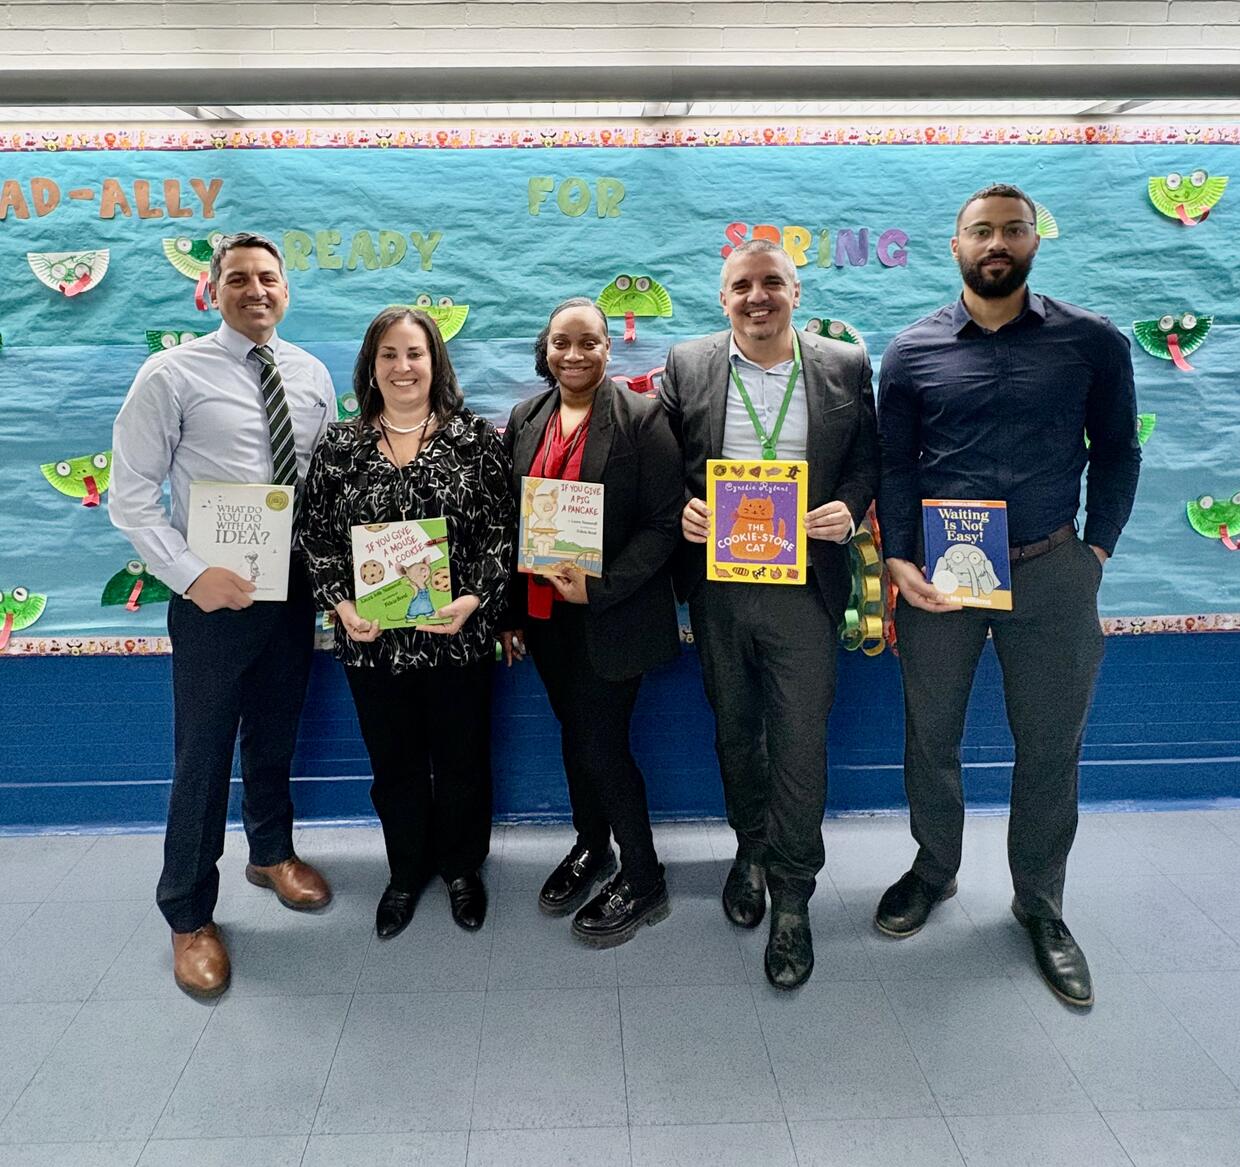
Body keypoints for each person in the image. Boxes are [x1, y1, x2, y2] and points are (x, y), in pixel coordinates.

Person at [875, 182, 1141, 1008]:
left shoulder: (1093, 343)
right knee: (932, 735)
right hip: (941, 579)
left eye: (1013, 230)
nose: (998, 242)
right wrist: (899, 562)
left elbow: (1120, 452)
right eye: (981, 231)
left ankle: (1040, 902)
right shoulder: (911, 351)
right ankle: (934, 868)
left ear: (1034, 242)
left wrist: (1095, 551)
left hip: (1052, 569)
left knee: (1051, 745)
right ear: (954, 247)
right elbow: (896, 465)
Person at [110, 232, 335, 1000]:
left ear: (286, 288)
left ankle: (270, 852)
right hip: (211, 597)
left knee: (275, 734)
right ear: (213, 290)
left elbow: (324, 483)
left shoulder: (308, 374)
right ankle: (188, 914)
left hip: (292, 588)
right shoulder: (171, 373)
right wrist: (189, 574)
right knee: (202, 755)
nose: (256, 290)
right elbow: (131, 495)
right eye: (238, 278)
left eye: (268, 278)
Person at [659, 240, 879, 988]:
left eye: (772, 283)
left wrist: (849, 508)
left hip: (805, 588)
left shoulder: (843, 364)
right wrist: (679, 509)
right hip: (719, 586)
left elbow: (867, 457)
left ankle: (793, 893)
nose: (758, 296)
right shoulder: (687, 363)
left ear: (796, 290)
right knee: (734, 732)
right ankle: (750, 846)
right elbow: (660, 462)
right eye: (742, 285)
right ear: (723, 298)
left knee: (799, 740)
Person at [299, 306, 513, 940]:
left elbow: (503, 532)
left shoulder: (475, 440)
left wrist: (473, 599)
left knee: (462, 762)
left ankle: (462, 869)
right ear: (371, 365)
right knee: (393, 766)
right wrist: (341, 604)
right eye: (388, 354)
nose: (402, 366)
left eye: (414, 353)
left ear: (435, 362)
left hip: (456, 640)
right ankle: (405, 871)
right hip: (372, 647)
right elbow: (316, 540)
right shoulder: (340, 445)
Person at [500, 298, 682, 947]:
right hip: (547, 621)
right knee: (577, 736)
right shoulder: (527, 416)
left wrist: (600, 586)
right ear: (545, 350)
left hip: (613, 618)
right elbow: (513, 522)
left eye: (588, 342)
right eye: (561, 343)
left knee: (602, 743)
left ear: (609, 349)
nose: (573, 354)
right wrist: (511, 613)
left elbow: (666, 524)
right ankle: (591, 846)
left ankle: (643, 873)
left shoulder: (642, 417)